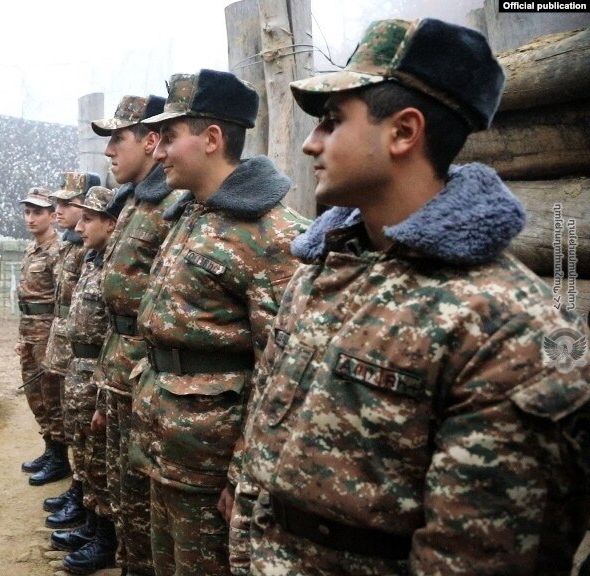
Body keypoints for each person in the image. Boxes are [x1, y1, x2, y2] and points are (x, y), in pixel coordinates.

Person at [230, 18, 590, 575]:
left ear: (403, 132)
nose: (309, 143)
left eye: (332, 122)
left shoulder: (506, 323)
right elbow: (268, 445)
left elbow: (473, 557)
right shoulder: (326, 267)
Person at [132, 69, 309, 575]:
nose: (159, 153)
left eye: (169, 137)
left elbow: (281, 373)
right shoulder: (191, 214)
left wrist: (243, 474)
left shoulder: (273, 235)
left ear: (211, 138)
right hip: (167, 445)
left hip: (212, 465)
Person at [80, 93, 177, 576]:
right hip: (120, 366)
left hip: (147, 374)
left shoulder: (171, 206)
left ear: (151, 140)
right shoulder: (136, 202)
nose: (108, 150)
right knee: (122, 486)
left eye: (118, 138)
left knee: (141, 496)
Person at [47, 185, 120, 574]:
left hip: (97, 374)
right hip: (80, 368)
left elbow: (116, 336)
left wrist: (104, 393)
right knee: (85, 452)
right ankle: (92, 525)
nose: (79, 226)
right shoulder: (93, 259)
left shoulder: (114, 268)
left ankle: (104, 539)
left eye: (88, 219)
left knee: (99, 457)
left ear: (111, 223)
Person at [38, 172, 100, 498]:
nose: (58, 210)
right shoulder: (70, 246)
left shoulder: (88, 250)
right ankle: (59, 459)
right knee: (57, 402)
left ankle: (78, 484)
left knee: (78, 416)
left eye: (67, 203)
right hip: (61, 336)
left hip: (79, 346)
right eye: (57, 203)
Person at [16, 186, 62, 474]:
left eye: (37, 213)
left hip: (48, 334)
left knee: (51, 394)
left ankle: (60, 458)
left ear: (53, 216)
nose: (30, 218)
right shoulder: (31, 249)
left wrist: (56, 341)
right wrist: (22, 337)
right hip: (29, 330)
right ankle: (50, 448)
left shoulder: (58, 251)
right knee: (35, 395)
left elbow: (64, 300)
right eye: (27, 212)